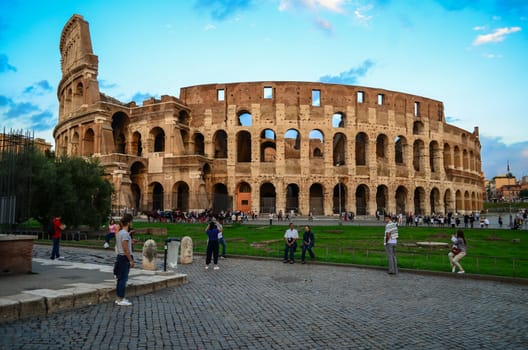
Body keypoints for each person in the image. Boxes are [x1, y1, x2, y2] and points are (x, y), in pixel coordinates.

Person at [114, 214, 134, 306]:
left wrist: (131, 240)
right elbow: (126, 249)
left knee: (120, 278)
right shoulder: (125, 234)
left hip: (119, 257)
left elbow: (123, 243)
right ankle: (121, 298)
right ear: (129, 223)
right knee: (123, 279)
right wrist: (130, 260)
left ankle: (119, 298)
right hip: (124, 258)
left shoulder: (120, 233)